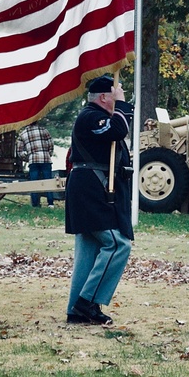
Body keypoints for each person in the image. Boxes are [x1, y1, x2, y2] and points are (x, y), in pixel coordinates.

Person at [65, 75, 134, 325]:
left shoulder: (96, 115)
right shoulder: (90, 116)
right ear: (104, 97)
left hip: (91, 188)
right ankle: (86, 302)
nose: (119, 96)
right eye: (115, 94)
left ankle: (76, 310)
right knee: (118, 244)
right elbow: (118, 130)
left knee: (89, 251)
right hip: (89, 189)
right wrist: (123, 105)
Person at [17, 121, 56, 207]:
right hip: (46, 159)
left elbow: (20, 152)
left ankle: (35, 204)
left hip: (33, 160)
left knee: (34, 183)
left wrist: (28, 157)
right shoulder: (44, 130)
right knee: (48, 181)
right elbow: (51, 144)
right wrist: (48, 154)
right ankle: (50, 203)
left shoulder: (23, 134)